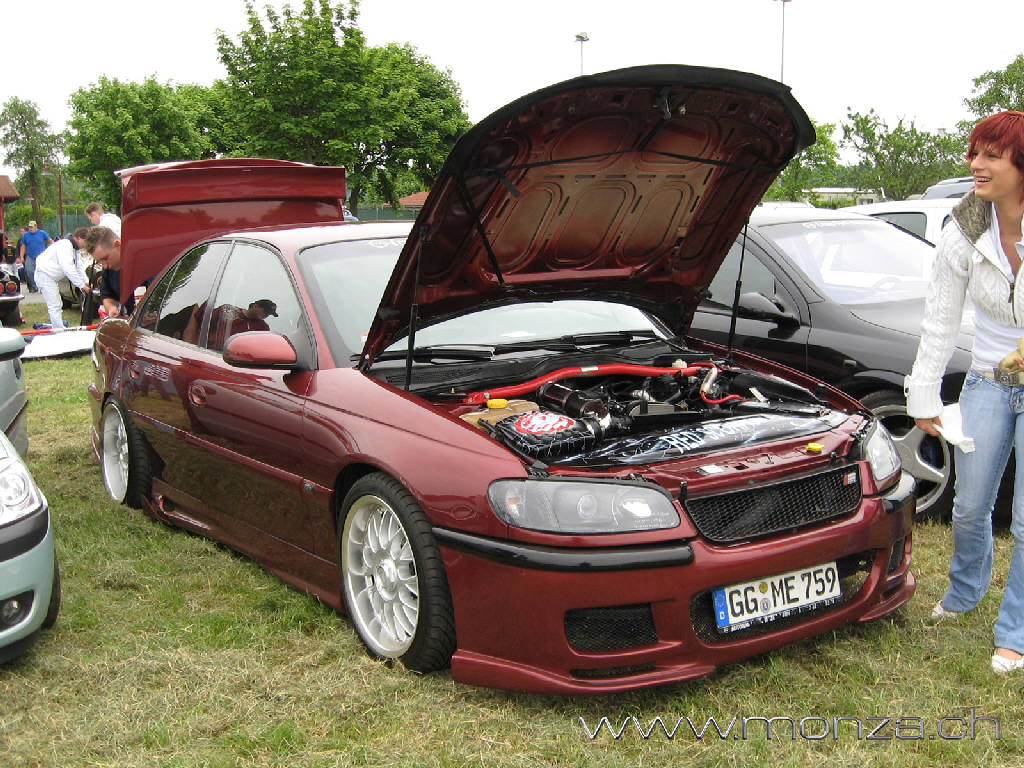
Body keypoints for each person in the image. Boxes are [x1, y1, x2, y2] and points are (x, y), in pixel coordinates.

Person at [906, 110, 1024, 675]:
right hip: (986, 382)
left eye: (991, 155)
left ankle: (1015, 631)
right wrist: (923, 397)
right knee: (971, 505)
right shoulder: (963, 226)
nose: (977, 164)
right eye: (974, 152)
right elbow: (939, 320)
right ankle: (965, 591)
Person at [34, 227, 90, 328]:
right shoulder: (65, 245)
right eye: (86, 241)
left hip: (50, 277)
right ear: (78, 238)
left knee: (57, 304)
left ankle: (58, 327)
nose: (86, 245)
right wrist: (82, 286)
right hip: (44, 275)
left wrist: (87, 282)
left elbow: (78, 267)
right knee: (55, 305)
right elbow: (68, 268)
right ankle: (59, 331)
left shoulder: (75, 249)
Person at [84, 225, 140, 318]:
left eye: (105, 258)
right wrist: (111, 308)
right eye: (100, 261)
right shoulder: (109, 269)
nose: (105, 266)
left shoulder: (145, 263)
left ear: (118, 245)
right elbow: (106, 294)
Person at [182, 299, 278, 348]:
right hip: (207, 352)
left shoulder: (262, 328)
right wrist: (190, 344)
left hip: (232, 362)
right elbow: (200, 320)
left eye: (269, 314)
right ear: (255, 306)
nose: (266, 315)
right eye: (265, 311)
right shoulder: (227, 310)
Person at [18, 220, 51, 292]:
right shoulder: (26, 235)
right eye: (29, 227)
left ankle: (41, 286)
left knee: (41, 272)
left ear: (36, 227)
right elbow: (23, 246)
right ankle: (34, 286)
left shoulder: (42, 233)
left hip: (41, 256)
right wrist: (21, 256)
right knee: (29, 271)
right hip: (30, 256)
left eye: (32, 227)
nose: (30, 229)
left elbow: (50, 241)